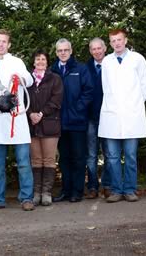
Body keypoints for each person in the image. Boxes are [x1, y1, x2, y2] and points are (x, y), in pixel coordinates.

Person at [0, 29, 35, 211]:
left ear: (9, 44)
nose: (1, 44)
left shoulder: (16, 62)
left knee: (23, 162)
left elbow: (29, 79)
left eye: (4, 41)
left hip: (15, 119)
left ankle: (27, 198)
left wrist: (20, 79)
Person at [99, 28, 146, 203]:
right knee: (112, 157)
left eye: (119, 40)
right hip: (111, 116)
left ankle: (129, 189)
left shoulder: (138, 59)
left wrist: (134, 105)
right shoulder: (106, 61)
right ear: (110, 43)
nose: (117, 43)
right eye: (113, 41)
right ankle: (116, 190)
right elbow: (106, 87)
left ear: (125, 40)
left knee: (130, 156)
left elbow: (145, 85)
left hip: (132, 116)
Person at [51, 38, 93, 203]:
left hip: (77, 122)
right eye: (60, 50)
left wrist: (78, 109)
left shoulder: (81, 69)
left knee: (78, 157)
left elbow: (89, 91)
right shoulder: (52, 70)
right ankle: (66, 190)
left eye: (66, 50)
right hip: (59, 123)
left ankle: (77, 191)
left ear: (71, 51)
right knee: (64, 158)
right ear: (56, 53)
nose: (63, 53)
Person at [27, 49, 63, 206]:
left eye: (43, 59)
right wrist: (30, 114)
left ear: (47, 62)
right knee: (36, 160)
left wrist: (41, 113)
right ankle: (36, 193)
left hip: (50, 124)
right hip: (32, 125)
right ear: (33, 62)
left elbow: (57, 100)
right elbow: (20, 99)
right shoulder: (27, 80)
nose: (40, 62)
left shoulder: (55, 79)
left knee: (48, 159)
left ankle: (46, 193)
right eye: (37, 59)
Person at [85, 37, 112, 199]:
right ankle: (93, 187)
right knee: (91, 155)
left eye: (99, 48)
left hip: (109, 116)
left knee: (109, 153)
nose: (96, 51)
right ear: (90, 51)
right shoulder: (85, 68)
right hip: (90, 118)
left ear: (105, 48)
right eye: (93, 49)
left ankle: (107, 186)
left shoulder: (112, 65)